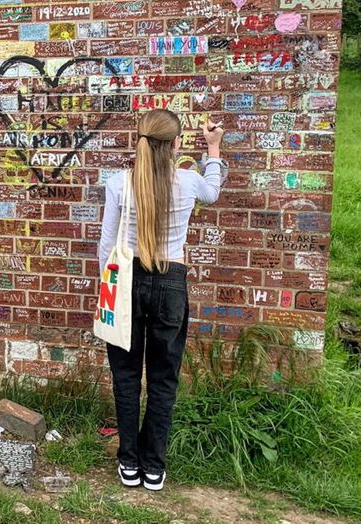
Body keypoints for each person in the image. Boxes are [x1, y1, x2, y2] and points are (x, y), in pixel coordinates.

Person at [96, 108, 226, 491]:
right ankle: (154, 467)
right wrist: (214, 148)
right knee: (163, 377)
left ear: (139, 140)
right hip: (171, 282)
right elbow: (214, 191)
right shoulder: (188, 181)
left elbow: (107, 246)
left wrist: (107, 288)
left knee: (126, 375)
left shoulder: (119, 183)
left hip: (126, 281)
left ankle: (128, 462)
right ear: (176, 144)